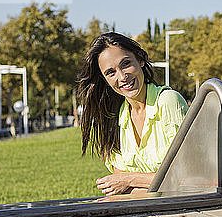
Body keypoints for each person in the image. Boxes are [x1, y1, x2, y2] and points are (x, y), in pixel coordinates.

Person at [78, 32, 188, 201]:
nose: (122, 77)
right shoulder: (114, 117)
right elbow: (120, 187)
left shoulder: (168, 101)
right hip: (137, 213)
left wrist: (131, 179)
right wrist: (148, 184)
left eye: (126, 64)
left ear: (141, 59)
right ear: (105, 79)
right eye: (110, 72)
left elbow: (187, 176)